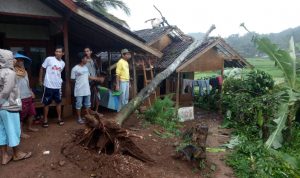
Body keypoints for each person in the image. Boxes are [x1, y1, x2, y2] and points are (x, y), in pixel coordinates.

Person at [0, 49, 32, 165]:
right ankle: (17, 154)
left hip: (2, 109)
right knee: (13, 129)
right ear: (7, 59)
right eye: (11, 58)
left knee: (2, 131)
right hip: (9, 106)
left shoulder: (1, 71)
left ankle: (4, 156)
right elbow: (6, 91)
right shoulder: (10, 73)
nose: (14, 60)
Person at [71, 53, 104, 124]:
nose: (87, 59)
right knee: (79, 104)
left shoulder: (86, 68)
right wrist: (79, 83)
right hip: (79, 90)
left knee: (88, 104)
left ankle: (88, 117)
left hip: (87, 89)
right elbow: (72, 79)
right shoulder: (75, 69)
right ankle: (79, 118)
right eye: (85, 58)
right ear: (82, 59)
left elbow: (89, 77)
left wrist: (98, 78)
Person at [39, 46, 65, 128]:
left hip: (58, 86)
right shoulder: (49, 59)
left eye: (59, 52)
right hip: (48, 85)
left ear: (63, 53)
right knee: (46, 103)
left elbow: (58, 73)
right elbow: (42, 68)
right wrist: (40, 80)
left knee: (58, 102)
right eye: (56, 51)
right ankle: (45, 120)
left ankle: (59, 119)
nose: (57, 53)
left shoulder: (63, 63)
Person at [14, 53, 38, 138]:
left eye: (22, 60)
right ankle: (20, 133)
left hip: (28, 95)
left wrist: (31, 91)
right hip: (20, 97)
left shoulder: (25, 72)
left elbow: (27, 83)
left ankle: (29, 127)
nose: (21, 62)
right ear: (14, 61)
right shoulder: (12, 72)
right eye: (19, 60)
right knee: (20, 116)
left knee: (32, 112)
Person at [84, 47, 102, 115]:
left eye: (88, 51)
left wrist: (98, 78)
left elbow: (97, 70)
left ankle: (96, 111)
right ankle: (89, 112)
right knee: (88, 97)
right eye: (85, 51)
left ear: (91, 52)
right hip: (87, 82)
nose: (86, 52)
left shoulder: (94, 60)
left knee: (97, 96)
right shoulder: (84, 61)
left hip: (95, 81)